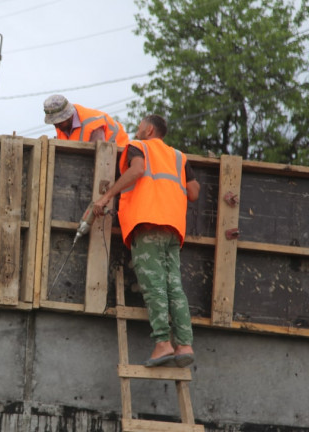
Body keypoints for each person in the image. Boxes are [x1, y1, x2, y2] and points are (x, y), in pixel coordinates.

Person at [92, 114, 200, 368]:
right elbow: (194, 193)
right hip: (173, 228)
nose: (137, 129)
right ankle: (184, 344)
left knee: (154, 286)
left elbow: (138, 169)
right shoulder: (178, 157)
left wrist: (107, 196)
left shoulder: (137, 147)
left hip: (147, 223)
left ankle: (162, 344)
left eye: (140, 125)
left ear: (149, 129)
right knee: (174, 286)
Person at [43, 94, 130, 147]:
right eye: (54, 123)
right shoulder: (62, 127)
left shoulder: (94, 124)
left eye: (59, 122)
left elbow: (100, 155)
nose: (57, 126)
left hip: (119, 162)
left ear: (68, 115)